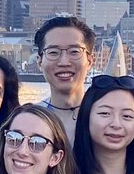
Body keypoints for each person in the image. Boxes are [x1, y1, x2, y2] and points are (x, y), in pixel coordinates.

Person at [34, 15, 96, 148]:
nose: (64, 62)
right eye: (53, 52)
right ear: (39, 61)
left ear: (90, 60)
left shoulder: (107, 118)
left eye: (74, 51)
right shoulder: (30, 119)